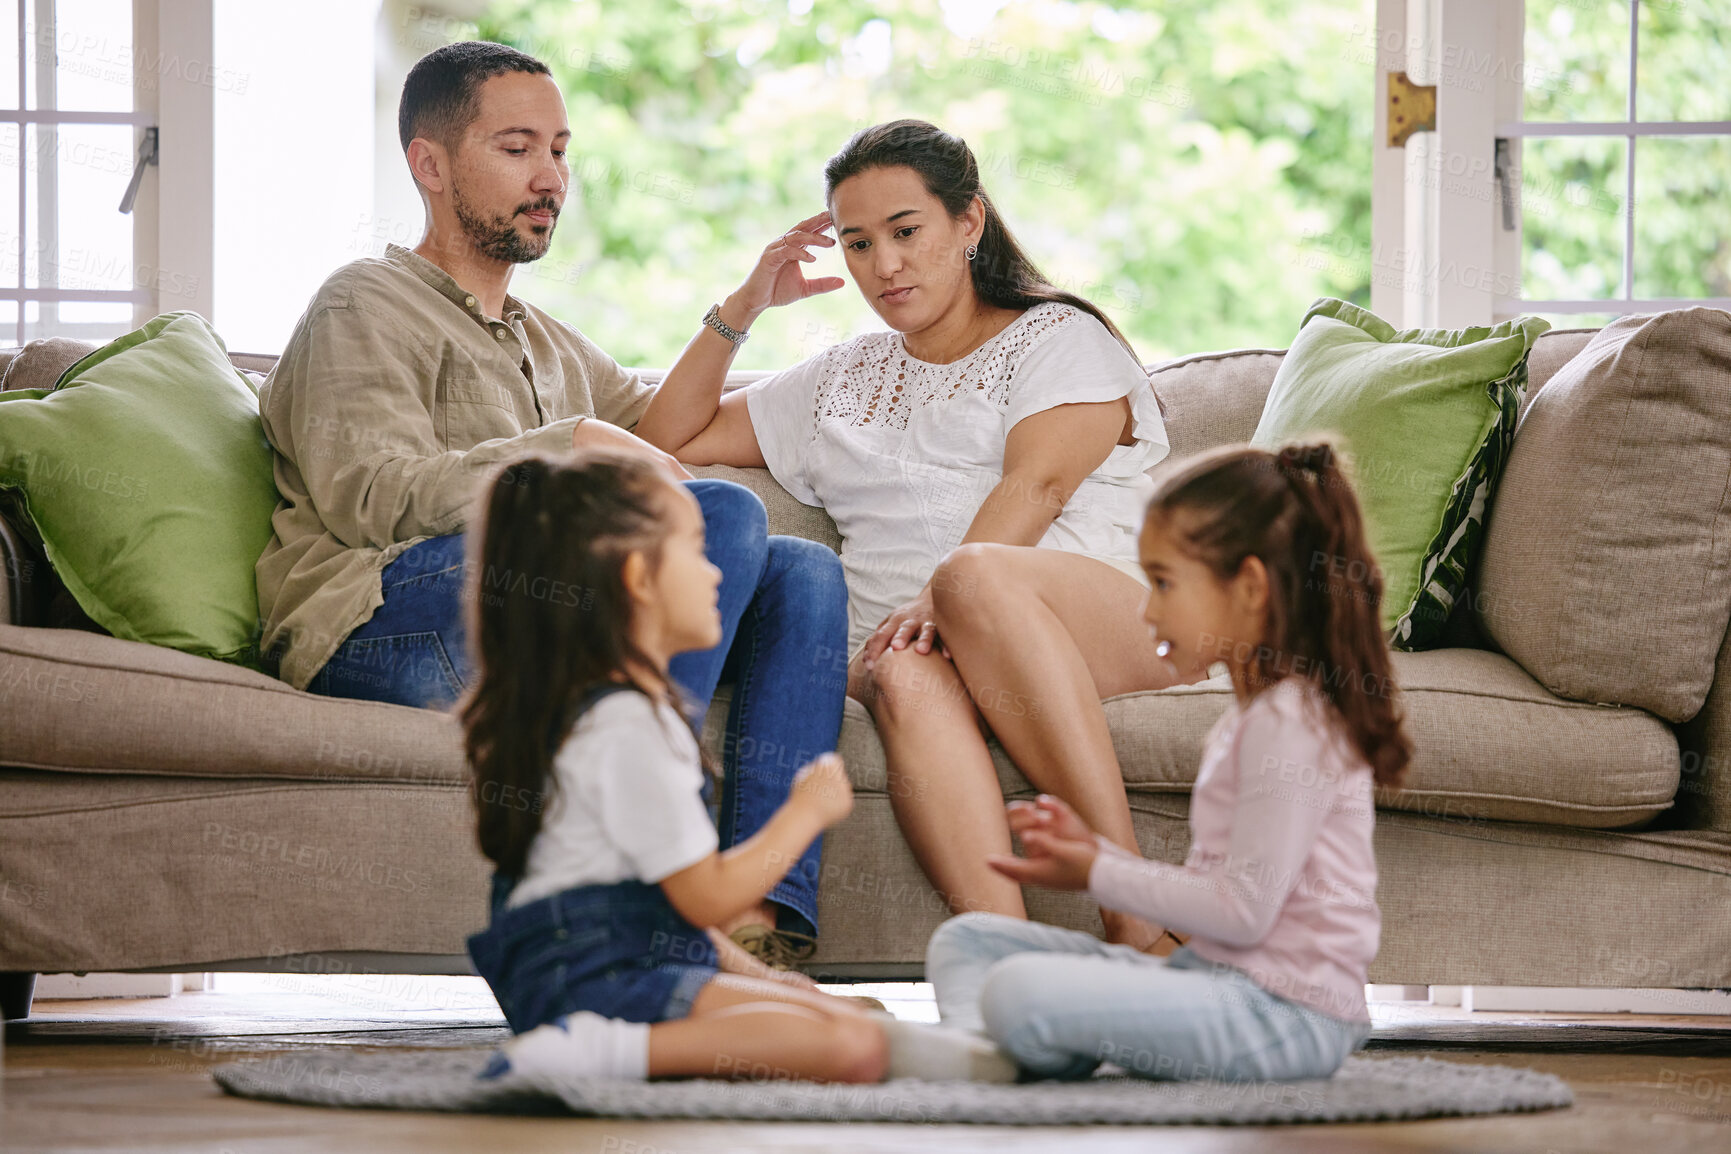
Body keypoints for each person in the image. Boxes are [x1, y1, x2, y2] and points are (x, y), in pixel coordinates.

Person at [254, 41, 841, 962]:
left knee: (801, 570)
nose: (551, 177)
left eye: (561, 150)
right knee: (716, 517)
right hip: (376, 619)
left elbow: (666, 429)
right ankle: (643, 907)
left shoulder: (551, 343)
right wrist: (565, 446)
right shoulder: (362, 303)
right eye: (519, 147)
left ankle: (750, 930)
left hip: (524, 610)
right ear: (431, 166)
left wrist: (742, 307)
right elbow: (367, 495)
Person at [634, 119, 1189, 951]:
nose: (883, 265)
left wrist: (939, 594)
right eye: (856, 244)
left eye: (905, 232)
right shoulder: (843, 376)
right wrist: (744, 303)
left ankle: (1136, 920)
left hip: (1092, 623)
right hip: (918, 645)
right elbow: (668, 439)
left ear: (968, 222)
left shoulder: (1059, 338)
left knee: (973, 578)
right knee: (901, 674)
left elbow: (1033, 485)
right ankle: (1012, 964)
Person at [461, 451, 1014, 1086]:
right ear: (639, 580)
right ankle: (585, 1053)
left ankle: (949, 1058)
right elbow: (706, 898)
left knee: (836, 1023)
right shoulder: (625, 729)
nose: (717, 573)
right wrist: (802, 815)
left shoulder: (620, 715)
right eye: (698, 552)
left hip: (609, 959)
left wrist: (787, 991)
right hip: (595, 975)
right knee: (848, 1049)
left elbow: (668, 913)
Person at [923, 442, 1413, 1082]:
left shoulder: (1293, 724)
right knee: (970, 942)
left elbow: (1243, 910)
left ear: (1249, 587)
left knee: (1018, 991)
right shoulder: (1256, 718)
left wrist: (1103, 870)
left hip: (1286, 1016)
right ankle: (989, 1055)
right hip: (1209, 979)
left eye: (1163, 582)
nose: (1146, 610)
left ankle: (995, 1049)